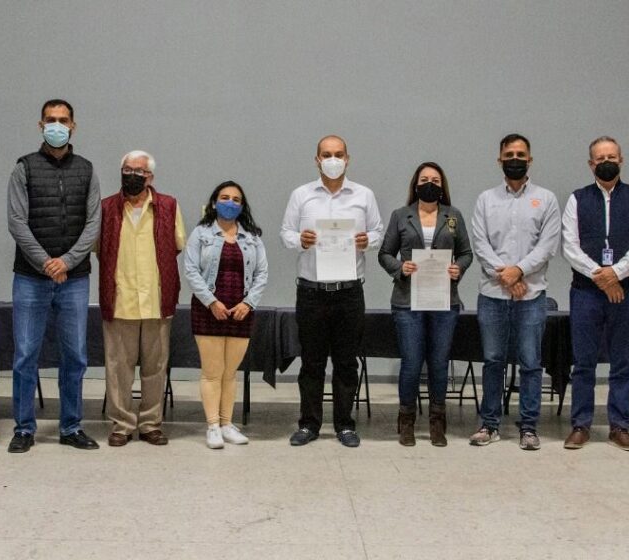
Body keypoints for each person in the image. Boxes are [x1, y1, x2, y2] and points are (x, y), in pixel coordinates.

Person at [6, 99, 100, 453]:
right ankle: (24, 428)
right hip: (30, 278)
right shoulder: (24, 168)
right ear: (40, 125)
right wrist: (47, 262)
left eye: (63, 120)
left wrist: (67, 262)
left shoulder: (87, 170)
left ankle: (71, 427)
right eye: (50, 120)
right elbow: (17, 222)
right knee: (25, 355)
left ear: (73, 126)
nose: (56, 125)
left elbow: (93, 223)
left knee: (75, 356)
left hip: (74, 279)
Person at [280, 135, 383, 448]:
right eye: (326, 154)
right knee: (311, 363)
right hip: (311, 292)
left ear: (347, 158)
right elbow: (285, 233)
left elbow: (378, 231)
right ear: (317, 160)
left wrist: (368, 241)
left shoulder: (364, 195)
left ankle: (345, 425)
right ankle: (309, 424)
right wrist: (301, 240)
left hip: (349, 292)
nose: (333, 159)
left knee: (346, 363)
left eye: (338, 154)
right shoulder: (302, 195)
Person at [562, 136, 629, 452]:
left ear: (621, 160)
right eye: (600, 158)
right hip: (586, 292)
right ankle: (581, 425)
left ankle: (619, 427)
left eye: (611, 157)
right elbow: (570, 246)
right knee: (583, 363)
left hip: (628, 291)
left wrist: (616, 273)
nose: (606, 162)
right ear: (591, 164)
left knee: (622, 364)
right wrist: (602, 277)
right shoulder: (577, 199)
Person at [470, 133, 561, 449]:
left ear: (530, 160)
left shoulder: (546, 199)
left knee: (531, 362)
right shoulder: (486, 199)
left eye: (521, 154)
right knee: (493, 360)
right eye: (509, 155)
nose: (515, 159)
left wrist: (519, 271)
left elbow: (547, 245)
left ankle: (529, 427)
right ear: (499, 160)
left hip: (531, 295)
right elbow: (480, 244)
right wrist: (507, 276)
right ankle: (490, 424)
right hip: (493, 294)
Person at [378, 162, 473, 446]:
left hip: (444, 300)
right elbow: (384, 254)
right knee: (411, 363)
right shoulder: (400, 215)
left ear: (442, 186)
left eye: (435, 179)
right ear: (416, 184)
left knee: (439, 363)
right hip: (408, 301)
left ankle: (437, 422)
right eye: (424, 179)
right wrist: (400, 267)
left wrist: (458, 268)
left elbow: (466, 253)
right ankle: (406, 419)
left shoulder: (453, 215)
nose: (429, 183)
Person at [97, 150, 185, 447]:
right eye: (127, 170)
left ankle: (150, 424)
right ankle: (121, 425)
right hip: (119, 299)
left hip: (156, 300)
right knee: (118, 369)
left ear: (150, 177)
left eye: (139, 171)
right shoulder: (106, 207)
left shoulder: (169, 206)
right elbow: (98, 248)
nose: (132, 175)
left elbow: (177, 245)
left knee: (155, 368)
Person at [184, 181, 269, 449]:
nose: (230, 203)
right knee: (212, 372)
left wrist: (248, 303)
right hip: (208, 310)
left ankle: (227, 424)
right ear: (214, 202)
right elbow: (191, 270)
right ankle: (212, 426)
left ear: (242, 206)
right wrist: (211, 302)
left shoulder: (252, 237)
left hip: (241, 312)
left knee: (230, 373)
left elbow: (262, 274)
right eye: (224, 197)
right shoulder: (201, 233)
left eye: (236, 199)